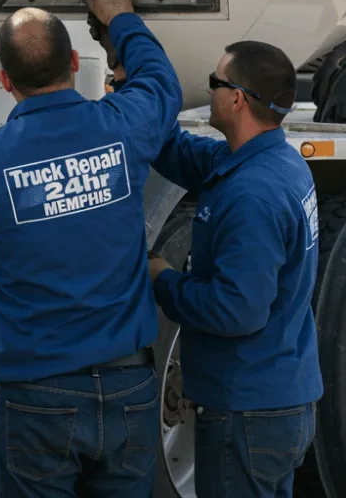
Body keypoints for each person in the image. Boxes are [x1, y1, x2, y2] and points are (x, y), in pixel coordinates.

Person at [0, 0, 182, 498]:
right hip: (130, 388)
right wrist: (120, 17)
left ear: (6, 81)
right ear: (76, 61)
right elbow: (160, 83)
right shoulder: (122, 127)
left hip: (39, 396)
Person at [147, 40, 322, 498]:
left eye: (214, 82)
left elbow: (236, 312)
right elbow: (182, 154)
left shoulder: (253, 196)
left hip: (247, 413)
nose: (209, 91)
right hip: (273, 400)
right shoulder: (268, 160)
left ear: (237, 98)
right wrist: (133, 82)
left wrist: (163, 279)